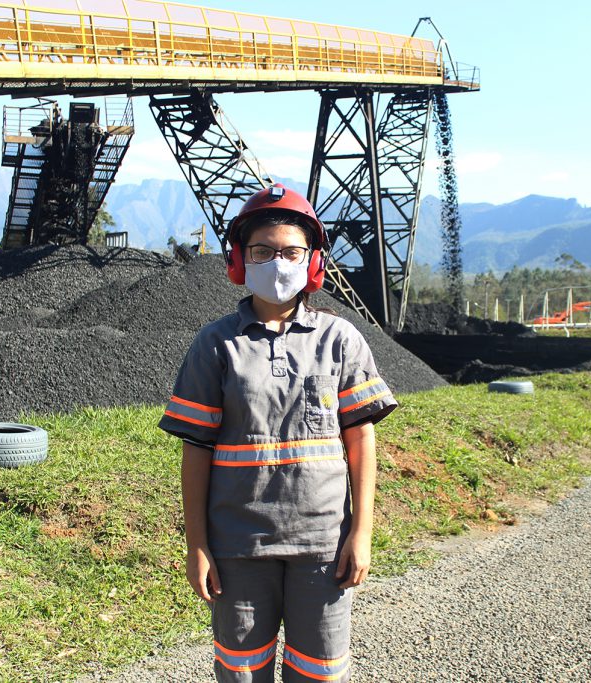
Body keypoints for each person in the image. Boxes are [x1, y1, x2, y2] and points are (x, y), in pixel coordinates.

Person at [159, 183, 398, 682]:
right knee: (242, 672)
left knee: (319, 671)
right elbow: (196, 449)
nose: (277, 263)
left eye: (291, 252)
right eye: (262, 251)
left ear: (313, 261)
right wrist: (197, 545)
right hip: (238, 546)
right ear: (240, 260)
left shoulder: (340, 340)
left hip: (323, 544)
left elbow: (361, 440)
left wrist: (361, 533)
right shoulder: (216, 344)